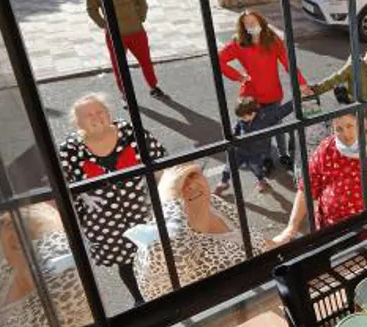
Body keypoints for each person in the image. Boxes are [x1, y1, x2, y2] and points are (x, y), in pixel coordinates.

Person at [57, 93, 166, 305]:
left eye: (100, 111)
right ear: (77, 122)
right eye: (88, 115)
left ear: (109, 113)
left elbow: (159, 159)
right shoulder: (70, 149)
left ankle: (164, 292)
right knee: (126, 263)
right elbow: (66, 187)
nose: (96, 117)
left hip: (144, 210)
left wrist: (164, 196)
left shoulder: (130, 132)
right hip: (106, 223)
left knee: (156, 254)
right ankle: (140, 300)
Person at [272, 110, 367, 245]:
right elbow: (307, 187)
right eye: (339, 129)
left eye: (350, 126)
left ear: (364, 123)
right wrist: (291, 227)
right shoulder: (326, 149)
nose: (346, 134)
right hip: (337, 235)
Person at [127, 163, 246, 301]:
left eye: (192, 175)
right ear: (162, 200)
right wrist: (168, 196)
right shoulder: (153, 247)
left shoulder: (214, 204)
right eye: (177, 187)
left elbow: (251, 240)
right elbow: (173, 251)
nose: (189, 185)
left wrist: (274, 242)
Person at [218, 10, 305, 168]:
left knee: (277, 124)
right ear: (243, 26)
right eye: (247, 23)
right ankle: (266, 157)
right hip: (252, 96)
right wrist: (239, 77)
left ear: (261, 22)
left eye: (254, 22)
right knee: (260, 130)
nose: (251, 25)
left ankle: (283, 153)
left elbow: (288, 64)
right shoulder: (239, 42)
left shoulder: (272, 40)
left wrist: (302, 83)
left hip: (273, 93)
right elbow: (219, 60)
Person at [86, 0, 166, 99]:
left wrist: (140, 18)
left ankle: (154, 87)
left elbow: (142, 2)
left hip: (136, 32)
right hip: (114, 35)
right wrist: (104, 24)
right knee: (119, 67)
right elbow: (91, 9)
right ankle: (125, 94)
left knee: (145, 61)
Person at [303, 42, 367, 125]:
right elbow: (335, 79)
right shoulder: (353, 67)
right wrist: (316, 89)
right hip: (357, 112)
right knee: (357, 138)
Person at [213, 97, 273, 196]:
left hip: (254, 152)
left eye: (244, 117)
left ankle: (262, 181)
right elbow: (236, 126)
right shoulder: (242, 118)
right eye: (240, 117)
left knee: (256, 168)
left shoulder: (261, 122)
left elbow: (264, 139)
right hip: (239, 150)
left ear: (253, 113)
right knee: (229, 167)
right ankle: (223, 183)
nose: (242, 119)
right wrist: (233, 133)